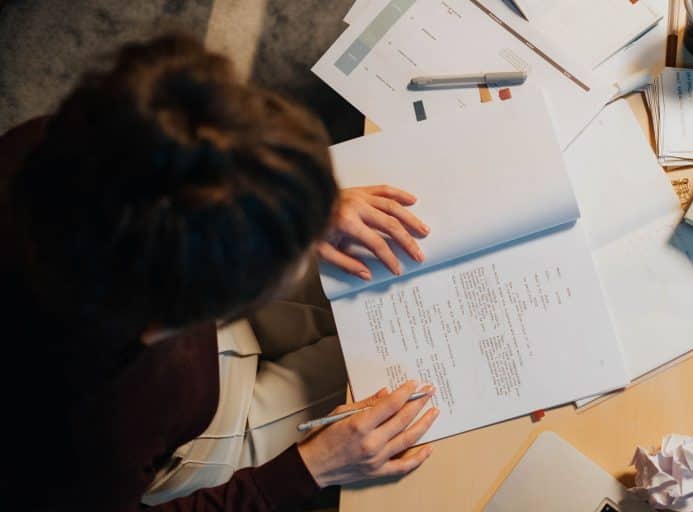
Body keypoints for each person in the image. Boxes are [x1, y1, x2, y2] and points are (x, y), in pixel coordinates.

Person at [0, 33, 437, 510]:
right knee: (405, 371)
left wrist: (296, 193)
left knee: (391, 299)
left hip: (177, 357)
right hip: (182, 436)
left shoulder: (73, 145)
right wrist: (308, 470)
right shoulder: (89, 437)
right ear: (179, 318)